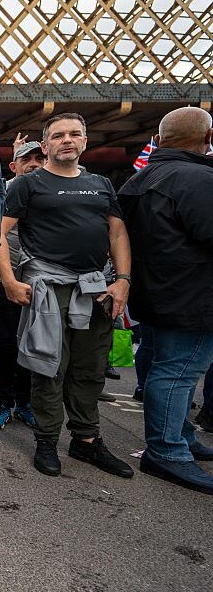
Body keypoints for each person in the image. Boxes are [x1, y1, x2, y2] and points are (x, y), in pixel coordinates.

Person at [0, 113, 133, 480]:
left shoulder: (100, 184)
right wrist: (9, 279)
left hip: (95, 288)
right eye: (58, 136)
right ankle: (47, 440)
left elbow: (117, 234)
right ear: (46, 144)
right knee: (48, 366)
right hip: (49, 289)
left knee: (89, 370)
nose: (66, 140)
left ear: (85, 141)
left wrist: (123, 280)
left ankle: (86, 440)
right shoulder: (29, 184)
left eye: (74, 134)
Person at [118, 107, 213, 494]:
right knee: (178, 373)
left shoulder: (139, 179)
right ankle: (167, 450)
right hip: (192, 297)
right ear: (207, 138)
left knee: (166, 367)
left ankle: (181, 436)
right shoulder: (199, 179)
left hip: (154, 292)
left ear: (157, 139)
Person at [0, 138, 45, 431]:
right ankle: (2, 401)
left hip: (39, 276)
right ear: (13, 165)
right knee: (4, 341)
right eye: (26, 159)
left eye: (38, 158)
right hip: (0, 277)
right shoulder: (0, 191)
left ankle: (26, 401)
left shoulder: (51, 189)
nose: (33, 164)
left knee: (34, 341)